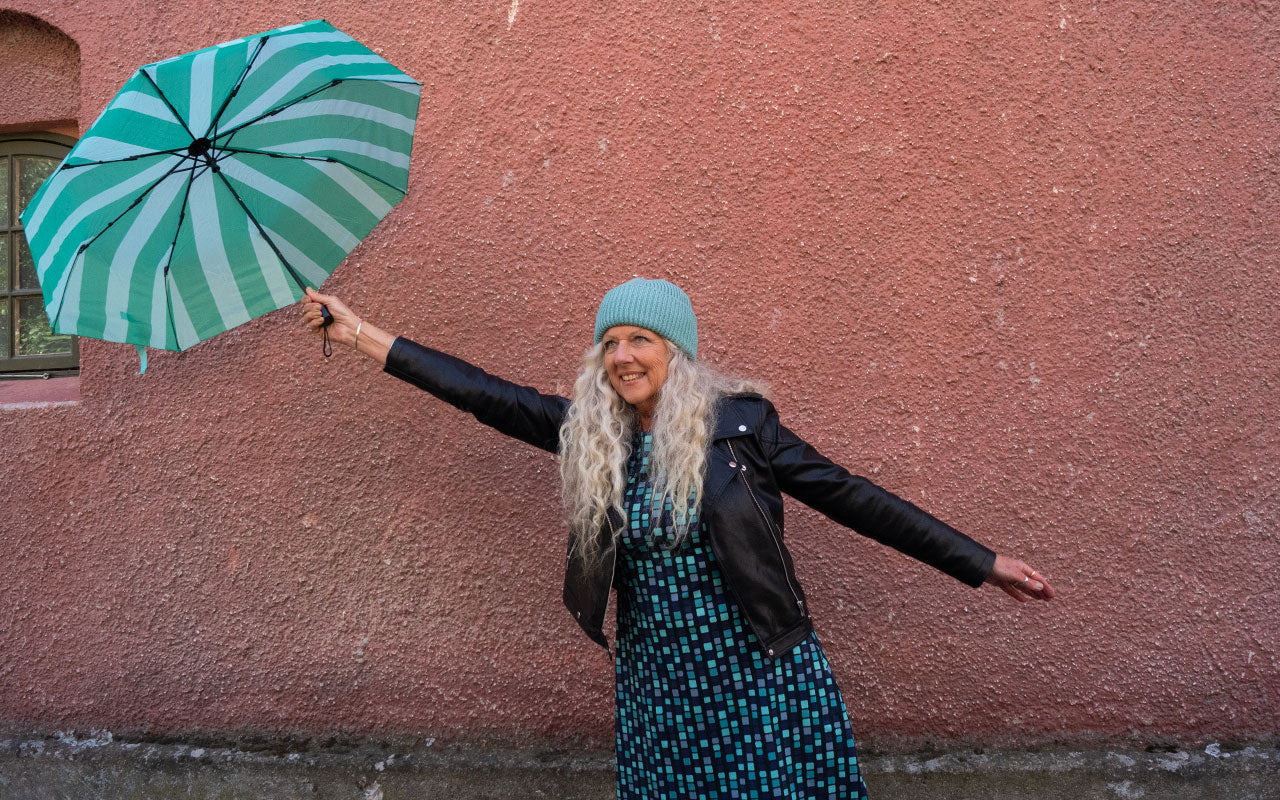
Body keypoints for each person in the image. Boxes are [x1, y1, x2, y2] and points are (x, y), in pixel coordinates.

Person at [300, 277, 1055, 799]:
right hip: (660, 678)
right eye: (610, 342)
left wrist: (981, 563)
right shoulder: (593, 434)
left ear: (676, 351)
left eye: (640, 339)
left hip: (758, 669)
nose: (622, 355)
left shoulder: (742, 428)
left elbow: (855, 499)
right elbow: (480, 393)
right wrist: (357, 331)